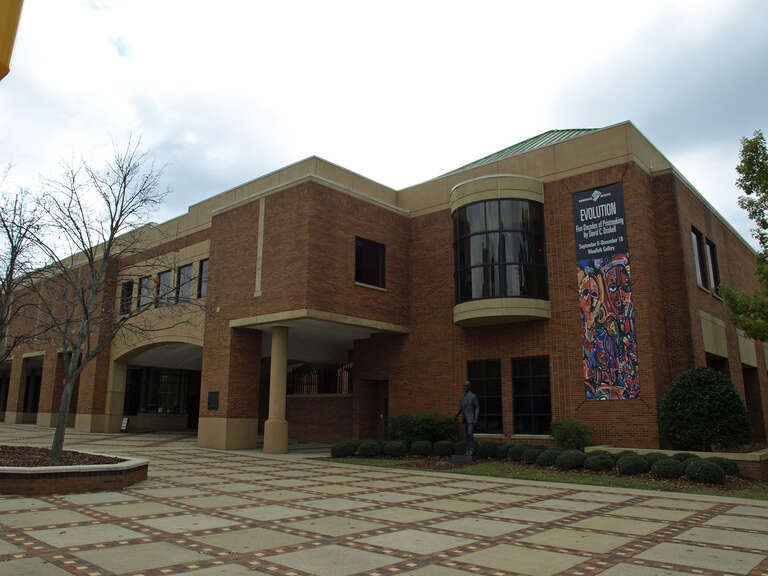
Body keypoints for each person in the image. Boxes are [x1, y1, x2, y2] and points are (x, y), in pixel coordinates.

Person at [455, 380, 480, 456]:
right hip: (465, 419)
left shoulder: (473, 396)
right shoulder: (462, 397)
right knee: (466, 435)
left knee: (470, 434)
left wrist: (475, 418)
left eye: (466, 386)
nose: (465, 387)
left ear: (469, 387)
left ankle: (471, 450)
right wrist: (456, 415)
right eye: (464, 386)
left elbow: (477, 407)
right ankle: (467, 450)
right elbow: (460, 408)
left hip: (471, 419)